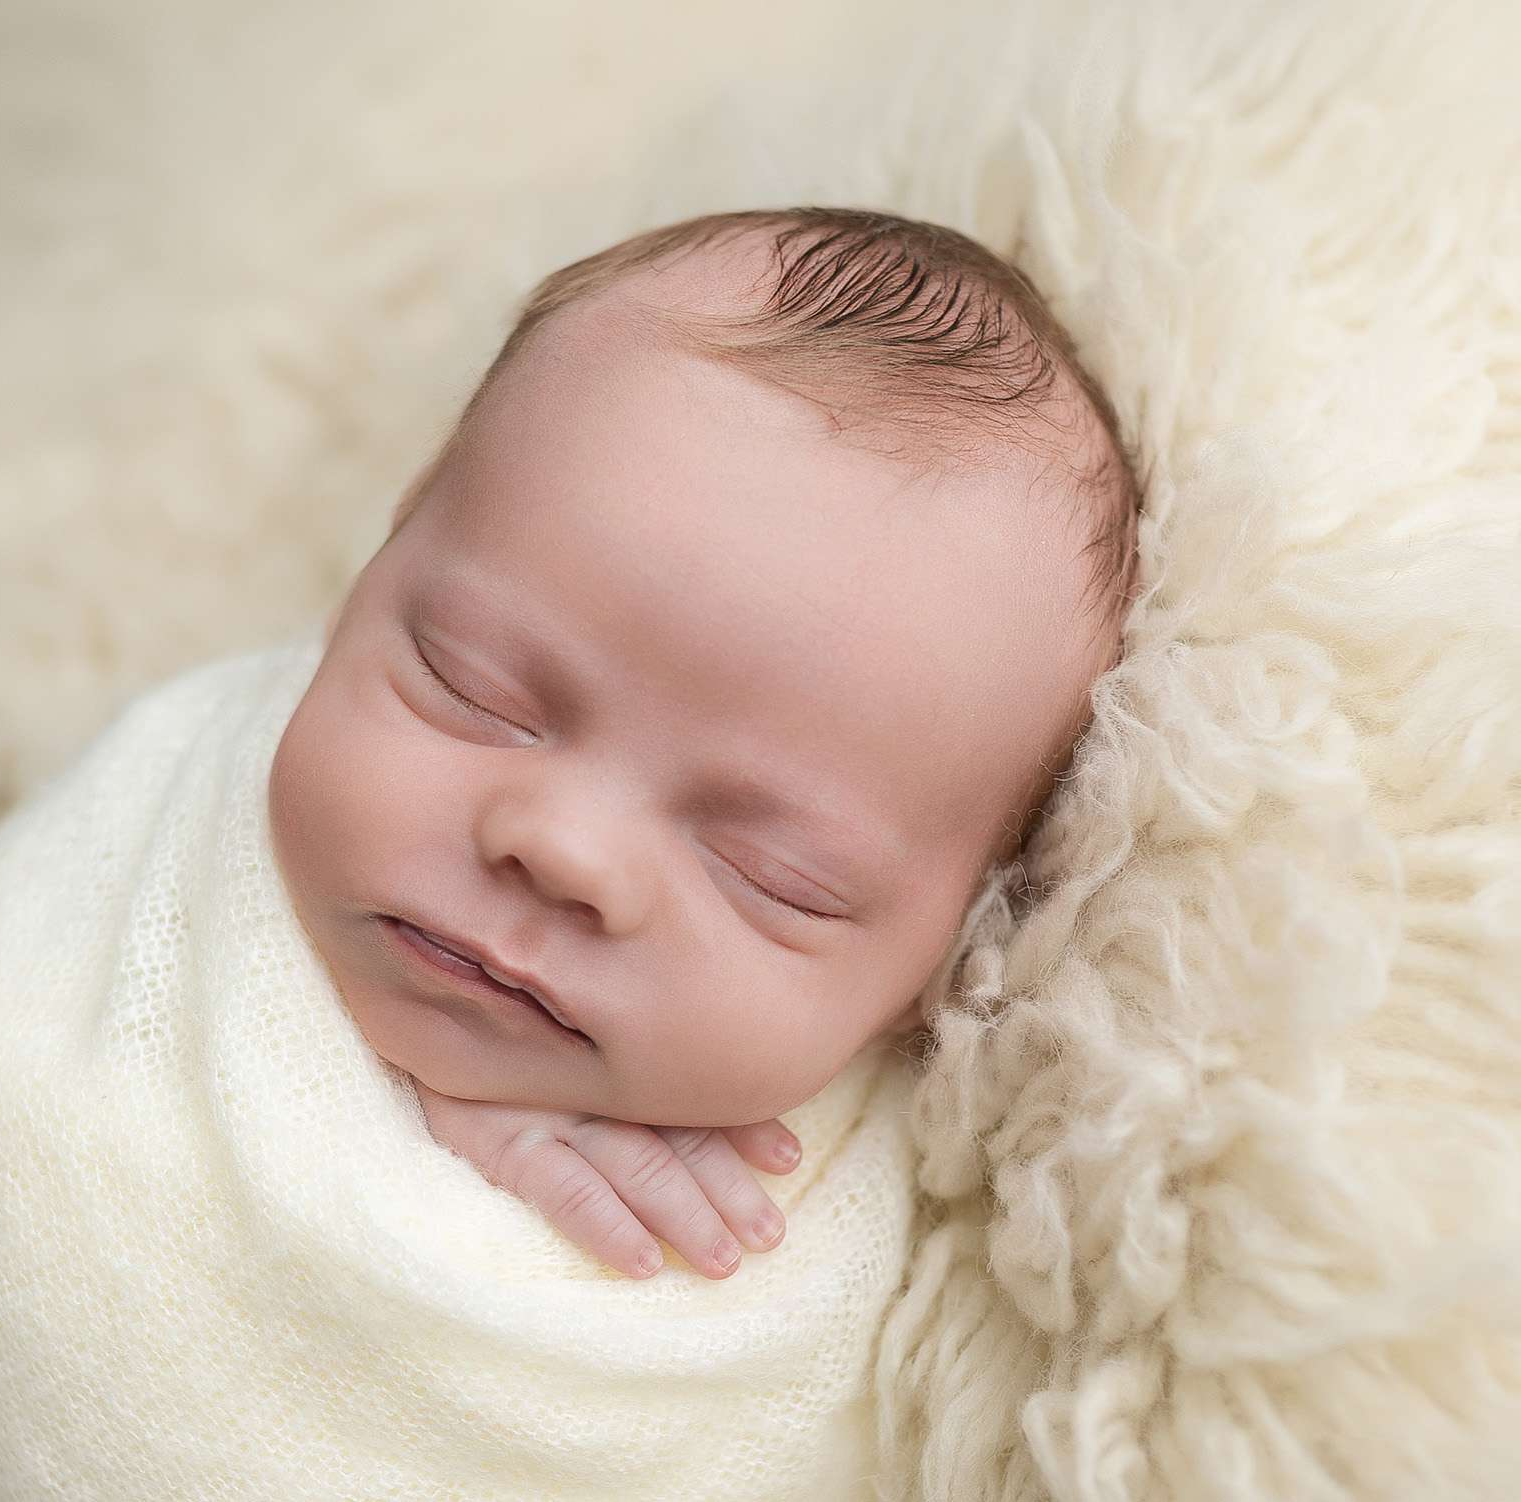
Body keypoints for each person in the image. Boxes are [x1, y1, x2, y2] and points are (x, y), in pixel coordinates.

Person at [267, 204, 1140, 1282]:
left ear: (950, 957)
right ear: (389, 548)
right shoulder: (195, 793)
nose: (563, 848)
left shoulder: (854, 1235)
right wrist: (396, 1116)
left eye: (774, 875)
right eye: (471, 685)